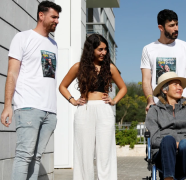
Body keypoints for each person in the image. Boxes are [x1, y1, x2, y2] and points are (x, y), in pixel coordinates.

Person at [0, 1, 61, 179]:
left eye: (58, 17)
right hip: (28, 107)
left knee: (36, 157)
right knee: (24, 156)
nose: (57, 21)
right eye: (54, 17)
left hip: (50, 111)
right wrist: (7, 105)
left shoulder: (53, 44)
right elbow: (11, 73)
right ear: (41, 15)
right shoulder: (23, 37)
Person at [59, 34, 127, 180]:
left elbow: (123, 88)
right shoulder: (78, 67)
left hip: (104, 110)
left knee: (106, 152)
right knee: (83, 152)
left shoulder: (110, 68)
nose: (104, 52)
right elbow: (62, 86)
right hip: (85, 110)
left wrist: (114, 100)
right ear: (91, 49)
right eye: (100, 49)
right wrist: (72, 100)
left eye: (105, 49)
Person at [141, 9, 186, 112]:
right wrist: (150, 101)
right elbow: (146, 80)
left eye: (177, 24)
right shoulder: (148, 49)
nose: (176, 28)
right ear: (161, 27)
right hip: (158, 106)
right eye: (171, 25)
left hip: (182, 105)